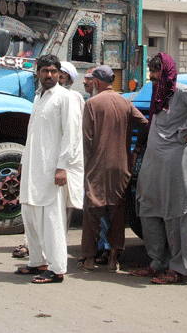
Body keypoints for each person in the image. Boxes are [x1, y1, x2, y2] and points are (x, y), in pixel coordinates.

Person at [131, 53, 187, 284]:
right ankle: (156, 262)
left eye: (157, 74)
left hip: (176, 159)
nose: (153, 78)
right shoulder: (158, 94)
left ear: (167, 73)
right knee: (147, 207)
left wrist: (185, 130)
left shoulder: (183, 91)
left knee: (176, 212)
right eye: (152, 74)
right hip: (153, 159)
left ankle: (179, 268)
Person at [15, 54, 83, 284]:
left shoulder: (65, 98)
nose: (49, 75)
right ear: (38, 72)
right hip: (33, 167)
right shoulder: (38, 97)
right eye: (45, 71)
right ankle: (37, 261)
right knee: (31, 215)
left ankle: (57, 268)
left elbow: (71, 136)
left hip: (52, 169)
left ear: (59, 73)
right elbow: (32, 133)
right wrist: (24, 162)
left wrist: (62, 167)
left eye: (54, 71)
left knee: (52, 219)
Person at [79, 65, 148, 272]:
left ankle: (89, 259)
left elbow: (87, 139)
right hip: (121, 166)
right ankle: (113, 260)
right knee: (117, 212)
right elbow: (145, 123)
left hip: (98, 166)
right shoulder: (125, 102)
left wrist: (86, 165)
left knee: (93, 211)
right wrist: (136, 150)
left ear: (98, 83)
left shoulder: (92, 103)